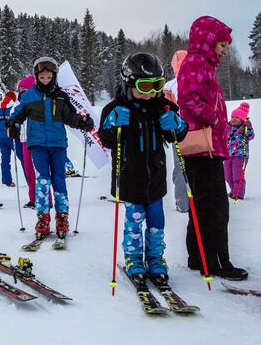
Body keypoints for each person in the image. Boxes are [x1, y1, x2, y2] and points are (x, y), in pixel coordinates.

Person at [99, 52, 188, 285]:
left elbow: (180, 134)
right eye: (144, 86)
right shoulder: (115, 109)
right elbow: (105, 139)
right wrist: (112, 124)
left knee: (157, 220)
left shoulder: (164, 107)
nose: (151, 93)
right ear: (129, 83)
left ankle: (156, 258)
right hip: (129, 178)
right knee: (134, 220)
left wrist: (176, 124)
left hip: (155, 179)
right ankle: (134, 258)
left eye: (156, 86)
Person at [178, 15, 248, 280]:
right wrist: (216, 118)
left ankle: (198, 257)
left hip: (207, 146)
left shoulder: (203, 64)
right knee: (215, 205)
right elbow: (189, 99)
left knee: (204, 203)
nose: (224, 51)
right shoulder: (196, 62)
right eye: (221, 45)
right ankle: (217, 262)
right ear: (208, 42)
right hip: (203, 146)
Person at [8, 57, 94, 241]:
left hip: (58, 144)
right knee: (43, 179)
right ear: (37, 77)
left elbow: (70, 117)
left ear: (53, 76)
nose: (45, 80)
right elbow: (17, 115)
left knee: (58, 179)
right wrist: (13, 125)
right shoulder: (28, 96)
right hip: (37, 144)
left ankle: (62, 216)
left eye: (48, 77)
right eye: (42, 77)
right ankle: (43, 217)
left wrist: (83, 122)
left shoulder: (61, 96)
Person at [163, 50, 189, 213]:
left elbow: (166, 111)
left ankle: (183, 202)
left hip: (178, 131)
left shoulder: (170, 86)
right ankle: (193, 199)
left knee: (180, 166)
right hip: (198, 132)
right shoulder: (197, 81)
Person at [14, 75, 38, 209]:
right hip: (24, 141)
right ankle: (33, 198)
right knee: (29, 171)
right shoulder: (19, 105)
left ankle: (45, 199)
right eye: (19, 89)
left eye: (24, 88)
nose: (21, 91)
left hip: (35, 142)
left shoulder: (35, 103)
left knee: (39, 172)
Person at [0, 91, 24, 187]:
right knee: (23, 158)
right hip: (13, 137)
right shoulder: (13, 109)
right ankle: (30, 179)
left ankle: (7, 181)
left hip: (1, 138)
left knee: (5, 160)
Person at [224, 102, 255, 200]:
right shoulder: (228, 127)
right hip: (228, 155)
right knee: (228, 176)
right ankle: (233, 191)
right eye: (232, 116)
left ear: (242, 119)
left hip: (240, 155)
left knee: (237, 176)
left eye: (236, 117)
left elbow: (251, 136)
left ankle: (238, 194)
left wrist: (249, 127)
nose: (233, 119)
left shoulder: (244, 128)